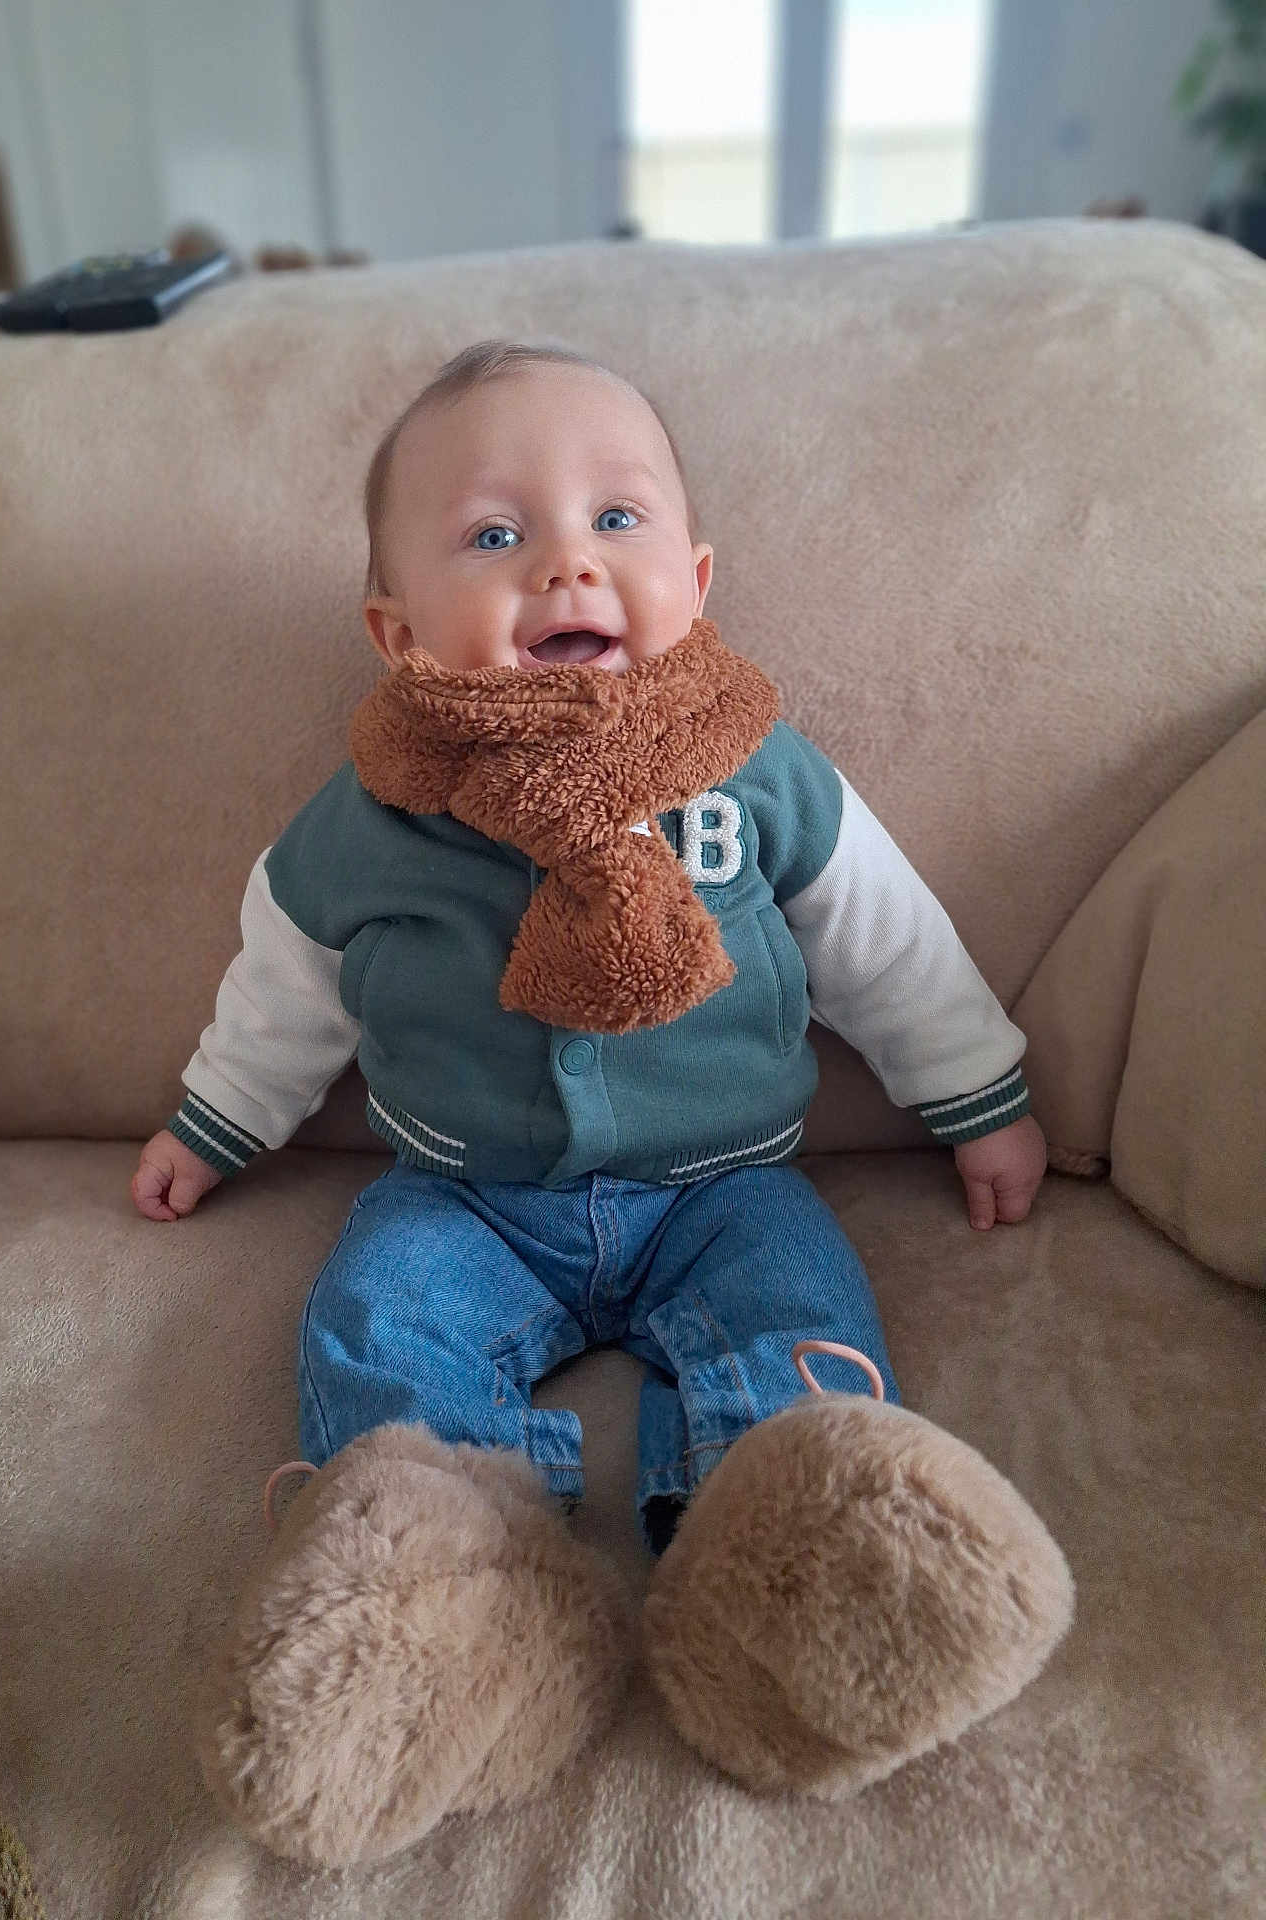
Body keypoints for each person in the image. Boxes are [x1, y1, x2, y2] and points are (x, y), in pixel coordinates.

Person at [134, 342, 1072, 1871]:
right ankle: (441, 1600)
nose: (567, 556)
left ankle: (797, 1565)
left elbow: (885, 943)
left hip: (726, 1186)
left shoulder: (755, 770)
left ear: (695, 582)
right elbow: (285, 991)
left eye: (617, 521)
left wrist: (979, 1100)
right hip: (462, 1192)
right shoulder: (369, 815)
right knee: (378, 1320)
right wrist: (210, 1124)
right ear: (397, 628)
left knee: (805, 1312)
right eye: (495, 537)